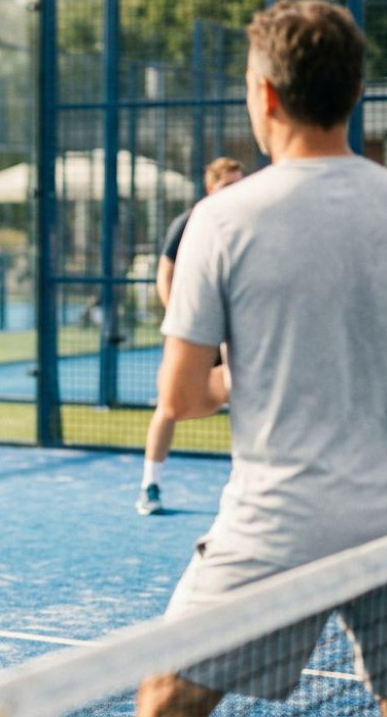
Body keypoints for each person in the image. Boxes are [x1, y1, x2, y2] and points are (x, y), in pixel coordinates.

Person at [135, 0, 387, 717]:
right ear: (355, 93)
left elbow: (182, 397)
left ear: (267, 95)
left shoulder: (219, 220)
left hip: (279, 522)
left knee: (167, 696)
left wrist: (254, 374)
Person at [135, 157, 244, 516]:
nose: (235, 192)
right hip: (195, 330)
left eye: (239, 184)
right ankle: (150, 485)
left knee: (248, 400)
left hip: (232, 331)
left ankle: (247, 484)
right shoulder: (190, 223)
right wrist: (184, 322)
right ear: (210, 187)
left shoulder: (244, 224)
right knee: (169, 406)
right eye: (228, 185)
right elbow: (165, 278)